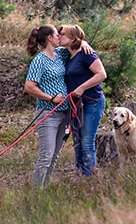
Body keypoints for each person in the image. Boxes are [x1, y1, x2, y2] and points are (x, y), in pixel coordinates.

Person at [23, 25, 94, 187]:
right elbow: (29, 87)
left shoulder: (60, 53)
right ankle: (35, 192)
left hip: (64, 113)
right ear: (49, 38)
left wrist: (84, 43)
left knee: (54, 156)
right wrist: (51, 98)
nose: (60, 37)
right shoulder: (39, 60)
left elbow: (77, 44)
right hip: (47, 113)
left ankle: (44, 188)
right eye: (57, 34)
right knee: (46, 155)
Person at [59, 24, 107, 177]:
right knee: (78, 141)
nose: (59, 36)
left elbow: (101, 74)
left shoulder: (86, 54)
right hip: (76, 106)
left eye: (62, 34)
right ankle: (80, 174)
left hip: (91, 102)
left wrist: (81, 88)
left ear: (73, 37)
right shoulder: (67, 54)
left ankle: (89, 178)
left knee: (86, 142)